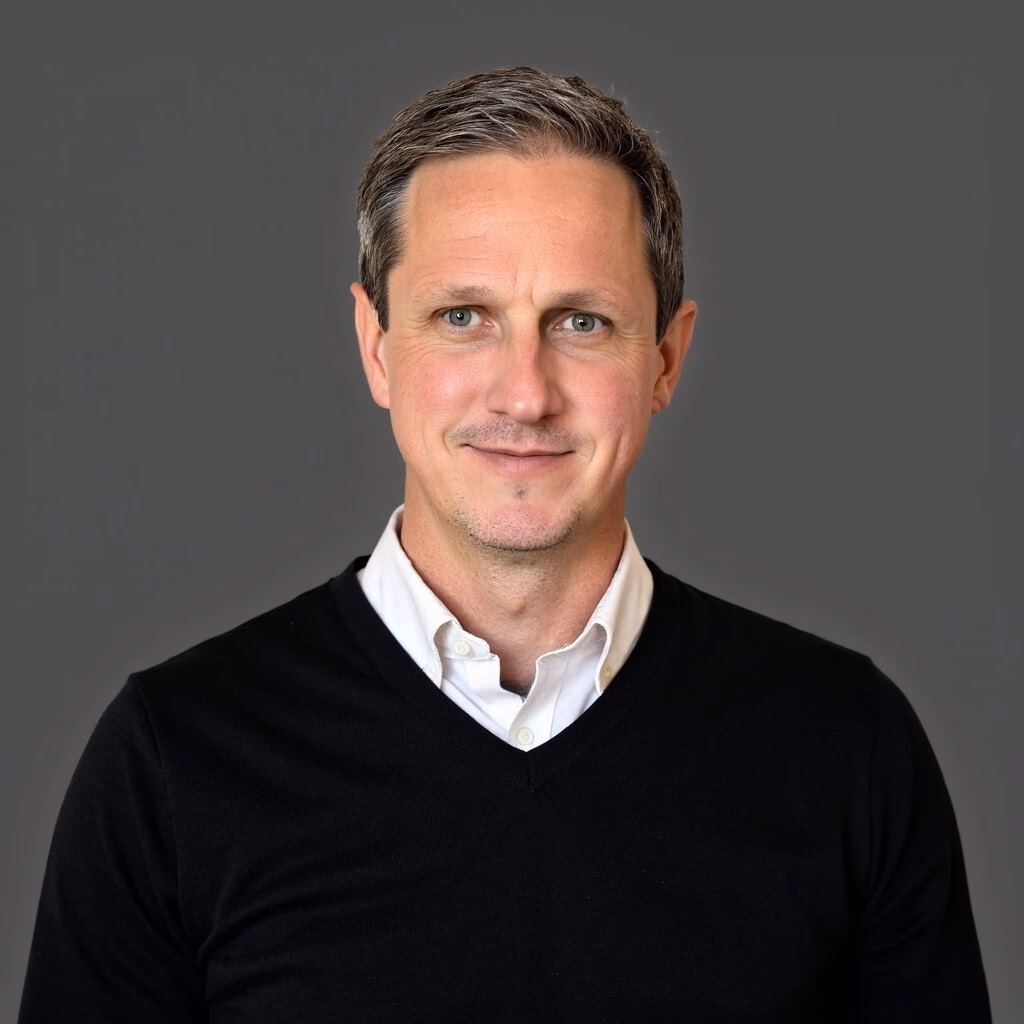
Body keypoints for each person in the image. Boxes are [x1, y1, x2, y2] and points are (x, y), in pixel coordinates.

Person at [18, 66, 991, 1023]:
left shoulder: (844, 745)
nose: (524, 393)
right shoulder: (176, 756)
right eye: (462, 317)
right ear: (375, 345)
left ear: (665, 357)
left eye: (582, 321)